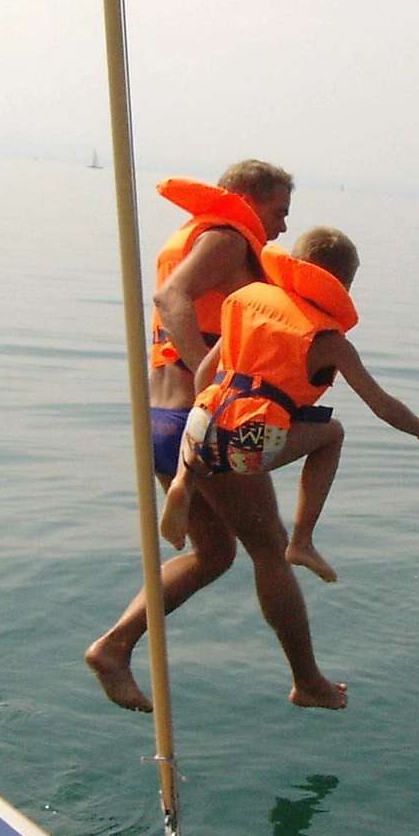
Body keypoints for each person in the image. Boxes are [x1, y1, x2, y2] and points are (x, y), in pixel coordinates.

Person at [86, 162, 348, 713]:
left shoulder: (189, 237)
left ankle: (114, 646)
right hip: (196, 418)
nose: (278, 230)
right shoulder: (227, 239)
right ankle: (308, 681)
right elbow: (171, 298)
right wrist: (212, 384)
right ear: (245, 199)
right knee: (270, 549)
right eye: (277, 213)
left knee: (213, 554)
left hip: (159, 420)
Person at [160, 226, 419, 591]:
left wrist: (208, 420)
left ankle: (185, 479)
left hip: (197, 427)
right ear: (340, 286)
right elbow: (383, 407)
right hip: (248, 444)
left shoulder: (247, 301)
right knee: (332, 433)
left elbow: (203, 376)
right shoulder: (330, 342)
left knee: (214, 409)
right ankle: (302, 541)